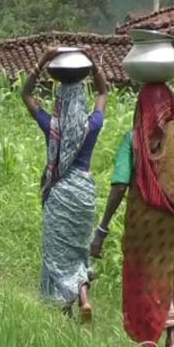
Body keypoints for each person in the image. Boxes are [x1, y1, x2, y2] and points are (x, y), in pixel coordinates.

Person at [90, 64, 174, 347]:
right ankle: (171, 338)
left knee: (145, 278)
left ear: (141, 108)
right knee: (171, 275)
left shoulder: (133, 140)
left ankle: (151, 338)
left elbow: (118, 186)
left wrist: (101, 230)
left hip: (143, 225)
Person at [21, 47, 108, 322]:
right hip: (84, 193)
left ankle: (68, 310)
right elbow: (103, 94)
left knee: (58, 255)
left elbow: (26, 94)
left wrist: (44, 60)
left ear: (60, 98)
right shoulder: (91, 125)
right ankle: (82, 292)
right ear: (81, 99)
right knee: (78, 251)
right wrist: (93, 64)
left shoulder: (52, 126)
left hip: (60, 195)